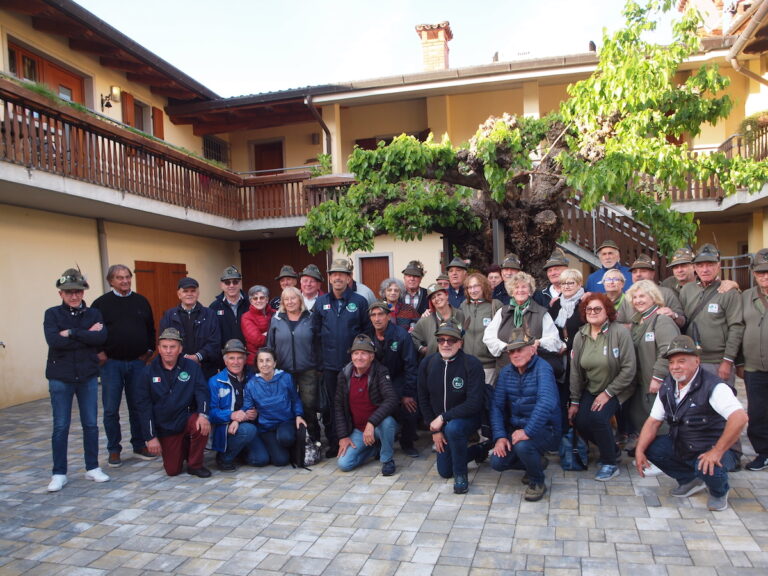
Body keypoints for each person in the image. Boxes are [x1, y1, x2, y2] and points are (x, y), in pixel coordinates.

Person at [634, 335, 747, 511]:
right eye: (671, 362)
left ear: (697, 361)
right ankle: (689, 480)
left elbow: (740, 418)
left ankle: (719, 492)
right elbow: (653, 422)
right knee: (650, 447)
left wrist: (716, 452)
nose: (675, 367)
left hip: (715, 448)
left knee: (707, 465)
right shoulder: (668, 385)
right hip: (685, 444)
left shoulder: (714, 386)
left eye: (681, 361)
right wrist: (639, 451)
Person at [44, 267, 110, 492]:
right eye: (69, 292)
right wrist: (85, 334)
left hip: (88, 376)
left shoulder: (93, 314)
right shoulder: (52, 314)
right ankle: (59, 473)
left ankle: (92, 467)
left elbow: (100, 337)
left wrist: (71, 333)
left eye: (78, 291)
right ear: (60, 294)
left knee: (90, 424)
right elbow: (54, 341)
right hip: (60, 377)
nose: (74, 296)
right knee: (61, 426)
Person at [91, 264, 157, 468]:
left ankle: (139, 444)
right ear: (111, 281)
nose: (125, 281)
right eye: (120, 278)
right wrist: (100, 353)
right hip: (112, 365)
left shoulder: (141, 301)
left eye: (128, 277)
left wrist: (148, 351)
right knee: (111, 409)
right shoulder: (101, 304)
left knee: (138, 405)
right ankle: (114, 450)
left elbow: (150, 328)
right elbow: (93, 333)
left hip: (137, 364)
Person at [568, 293, 636, 481]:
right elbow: (575, 371)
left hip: (617, 388)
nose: (593, 312)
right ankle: (612, 450)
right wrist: (574, 401)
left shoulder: (620, 333)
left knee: (598, 417)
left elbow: (629, 368)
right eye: (589, 309)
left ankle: (609, 463)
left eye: (598, 309)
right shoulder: (581, 335)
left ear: (607, 311)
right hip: (592, 388)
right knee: (580, 421)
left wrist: (608, 393)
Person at [490, 328, 561, 502]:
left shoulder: (543, 369)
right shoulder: (506, 372)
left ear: (532, 349)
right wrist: (500, 436)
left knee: (523, 446)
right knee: (497, 462)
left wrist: (527, 432)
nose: (515, 354)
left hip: (547, 429)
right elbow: (497, 407)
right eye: (511, 351)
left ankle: (537, 481)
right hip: (517, 428)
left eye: (520, 349)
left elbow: (546, 403)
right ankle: (535, 462)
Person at [418, 322, 486, 494]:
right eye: (441, 340)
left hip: (467, 418)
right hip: (441, 423)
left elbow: (474, 403)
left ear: (460, 342)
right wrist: (435, 430)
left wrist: (443, 418)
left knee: (454, 428)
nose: (446, 344)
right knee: (444, 471)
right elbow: (423, 399)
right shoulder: (427, 364)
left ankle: (461, 475)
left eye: (451, 340)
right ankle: (478, 450)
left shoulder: (472, 364)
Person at [312, 258, 371, 457]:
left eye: (341, 274)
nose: (337, 277)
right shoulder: (321, 303)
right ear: (329, 278)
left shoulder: (359, 302)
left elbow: (366, 333)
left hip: (353, 366)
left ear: (348, 278)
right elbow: (315, 335)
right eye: (333, 274)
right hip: (329, 366)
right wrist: (319, 363)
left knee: (353, 402)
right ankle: (334, 441)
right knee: (330, 405)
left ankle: (356, 439)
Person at [134, 327, 212, 478]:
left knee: (201, 424)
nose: (168, 351)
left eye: (172, 347)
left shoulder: (192, 367)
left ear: (180, 349)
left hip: (186, 418)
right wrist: (150, 437)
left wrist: (203, 414)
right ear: (159, 348)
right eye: (164, 347)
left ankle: (195, 465)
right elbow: (143, 407)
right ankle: (182, 449)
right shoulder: (148, 372)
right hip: (165, 426)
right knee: (172, 470)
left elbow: (202, 391)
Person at [625, 280, 680, 474]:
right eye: (635, 297)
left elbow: (668, 350)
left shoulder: (661, 320)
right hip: (640, 382)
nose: (638, 300)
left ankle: (664, 460)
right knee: (643, 419)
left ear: (653, 297)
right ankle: (649, 457)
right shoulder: (637, 321)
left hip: (656, 382)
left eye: (643, 296)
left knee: (661, 423)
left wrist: (658, 376)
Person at [679, 244, 744, 387]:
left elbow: (736, 328)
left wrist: (727, 361)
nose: (705, 269)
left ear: (718, 266)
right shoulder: (686, 290)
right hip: (691, 360)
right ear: (694, 268)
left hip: (717, 362)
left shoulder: (729, 292)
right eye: (700, 265)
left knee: (720, 407)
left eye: (710, 264)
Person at [334, 334, 399, 475]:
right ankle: (374, 448)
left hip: (377, 426)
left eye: (364, 353)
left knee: (388, 423)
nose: (359, 357)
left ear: (372, 356)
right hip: (358, 429)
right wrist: (343, 436)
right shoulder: (344, 374)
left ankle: (387, 459)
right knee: (344, 464)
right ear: (351, 356)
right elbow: (338, 406)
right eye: (356, 353)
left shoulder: (380, 371)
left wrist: (372, 422)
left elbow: (391, 399)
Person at [364, 301, 420, 457]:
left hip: (398, 379)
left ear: (389, 316)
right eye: (373, 315)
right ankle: (376, 442)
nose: (377, 319)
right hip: (375, 382)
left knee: (410, 407)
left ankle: (407, 443)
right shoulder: (366, 336)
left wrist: (407, 393)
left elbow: (410, 366)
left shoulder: (401, 335)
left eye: (381, 314)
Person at [483, 271, 565, 376]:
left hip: (534, 371)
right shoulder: (502, 312)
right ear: (511, 291)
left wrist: (539, 342)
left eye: (524, 287)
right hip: (506, 370)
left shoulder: (541, 313)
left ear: (530, 291)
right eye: (516, 287)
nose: (520, 290)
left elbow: (554, 340)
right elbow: (488, 337)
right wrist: (505, 346)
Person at [267, 286, 320, 442]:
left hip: (308, 369)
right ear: (283, 302)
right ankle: (292, 440)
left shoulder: (311, 318)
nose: (290, 302)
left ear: (300, 299)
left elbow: (318, 343)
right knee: (286, 404)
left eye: (293, 298)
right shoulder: (276, 319)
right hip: (283, 370)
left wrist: (318, 365)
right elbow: (270, 345)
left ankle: (313, 439)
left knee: (308, 406)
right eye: (286, 299)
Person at [241, 347, 306, 466]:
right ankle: (268, 449)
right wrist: (240, 416)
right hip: (266, 427)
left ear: (274, 363)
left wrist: (298, 415)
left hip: (285, 422)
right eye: (261, 361)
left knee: (285, 438)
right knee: (280, 461)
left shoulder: (286, 378)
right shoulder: (251, 384)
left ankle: (288, 447)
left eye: (268, 360)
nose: (264, 364)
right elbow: (247, 406)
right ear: (256, 363)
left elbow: (295, 399)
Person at [208, 339, 257, 472]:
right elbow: (211, 413)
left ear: (245, 359)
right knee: (248, 430)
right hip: (226, 428)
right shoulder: (215, 381)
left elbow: (257, 402)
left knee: (259, 459)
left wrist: (254, 412)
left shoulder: (252, 378)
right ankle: (224, 458)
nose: (236, 362)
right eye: (231, 358)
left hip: (247, 423)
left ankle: (239, 451)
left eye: (240, 358)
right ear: (225, 361)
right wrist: (232, 416)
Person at [547, 268, 586, 429]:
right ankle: (565, 437)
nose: (567, 286)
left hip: (579, 355)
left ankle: (580, 440)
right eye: (563, 283)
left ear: (579, 284)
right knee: (561, 398)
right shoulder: (555, 305)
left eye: (571, 283)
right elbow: (549, 329)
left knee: (578, 396)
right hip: (560, 357)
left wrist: (568, 345)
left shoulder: (586, 303)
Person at [159, 277, 220, 379]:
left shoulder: (210, 314)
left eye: (193, 291)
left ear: (198, 293)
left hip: (205, 369)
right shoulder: (169, 316)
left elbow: (215, 342)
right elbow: (164, 343)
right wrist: (184, 358)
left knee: (203, 395)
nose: (189, 294)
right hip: (177, 368)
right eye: (185, 291)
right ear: (179, 294)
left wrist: (198, 356)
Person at [741, 248, 768, 471]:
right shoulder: (746, 296)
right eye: (761, 273)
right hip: (754, 367)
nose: (765, 276)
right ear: (753, 273)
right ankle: (763, 452)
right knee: (757, 412)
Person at [459, 273, 503, 384]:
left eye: (476, 286)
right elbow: (456, 328)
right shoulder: (464, 305)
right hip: (466, 364)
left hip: (488, 365)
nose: (473, 290)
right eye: (469, 287)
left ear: (483, 286)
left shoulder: (495, 305)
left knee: (486, 398)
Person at [628, 254, 685, 329]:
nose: (638, 274)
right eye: (634, 272)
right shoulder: (628, 295)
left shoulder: (666, 293)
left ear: (652, 274)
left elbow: (682, 321)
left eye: (643, 271)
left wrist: (674, 315)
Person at [411, 283, 466, 358]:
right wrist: (421, 348)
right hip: (434, 364)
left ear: (446, 295)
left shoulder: (460, 315)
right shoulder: (426, 320)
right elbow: (413, 337)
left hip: (457, 362)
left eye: (439, 294)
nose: (437, 299)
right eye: (433, 297)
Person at [209, 266, 250, 356]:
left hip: (248, 355)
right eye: (227, 282)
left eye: (235, 282)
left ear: (240, 283)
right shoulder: (214, 307)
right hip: (225, 357)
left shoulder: (250, 304)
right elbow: (212, 336)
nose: (231, 285)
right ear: (222, 285)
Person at [241, 284, 274, 365]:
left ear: (267, 299)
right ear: (251, 301)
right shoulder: (246, 317)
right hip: (255, 361)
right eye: (255, 298)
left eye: (262, 297)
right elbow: (257, 340)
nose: (258, 300)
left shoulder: (275, 313)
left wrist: (265, 334)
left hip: (273, 359)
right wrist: (273, 334)